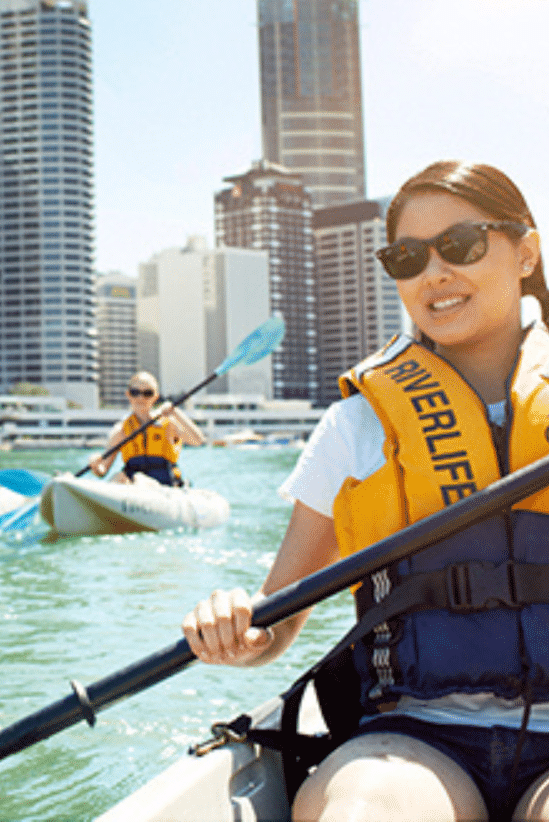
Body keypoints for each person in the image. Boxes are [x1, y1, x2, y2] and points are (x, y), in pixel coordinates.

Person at [182, 161, 549, 822]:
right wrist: (236, 627)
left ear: (525, 252)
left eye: (461, 246)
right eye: (408, 258)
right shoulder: (356, 424)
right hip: (417, 741)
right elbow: (278, 622)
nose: (433, 273)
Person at [87, 371, 205, 485]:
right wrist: (95, 464)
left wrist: (176, 412)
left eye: (147, 393)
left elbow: (198, 440)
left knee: (139, 479)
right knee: (118, 477)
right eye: (135, 392)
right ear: (128, 394)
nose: (141, 398)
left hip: (164, 486)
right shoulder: (121, 430)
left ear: (155, 397)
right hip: (133, 487)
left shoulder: (169, 424)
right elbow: (102, 471)